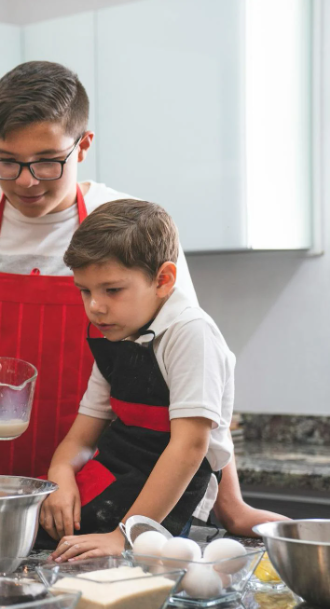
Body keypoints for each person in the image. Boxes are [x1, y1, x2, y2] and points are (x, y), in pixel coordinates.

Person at [0, 60, 286, 535]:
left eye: (46, 161)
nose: (25, 180)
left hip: (90, 492)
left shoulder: (130, 229)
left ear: (84, 144)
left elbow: (192, 381)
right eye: (7, 161)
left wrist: (232, 505)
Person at [41, 199, 233, 560]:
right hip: (116, 472)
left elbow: (190, 447)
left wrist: (126, 534)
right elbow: (83, 437)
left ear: (163, 281)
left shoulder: (190, 332)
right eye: (85, 290)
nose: (95, 306)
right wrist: (61, 474)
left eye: (111, 290)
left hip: (167, 491)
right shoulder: (116, 333)